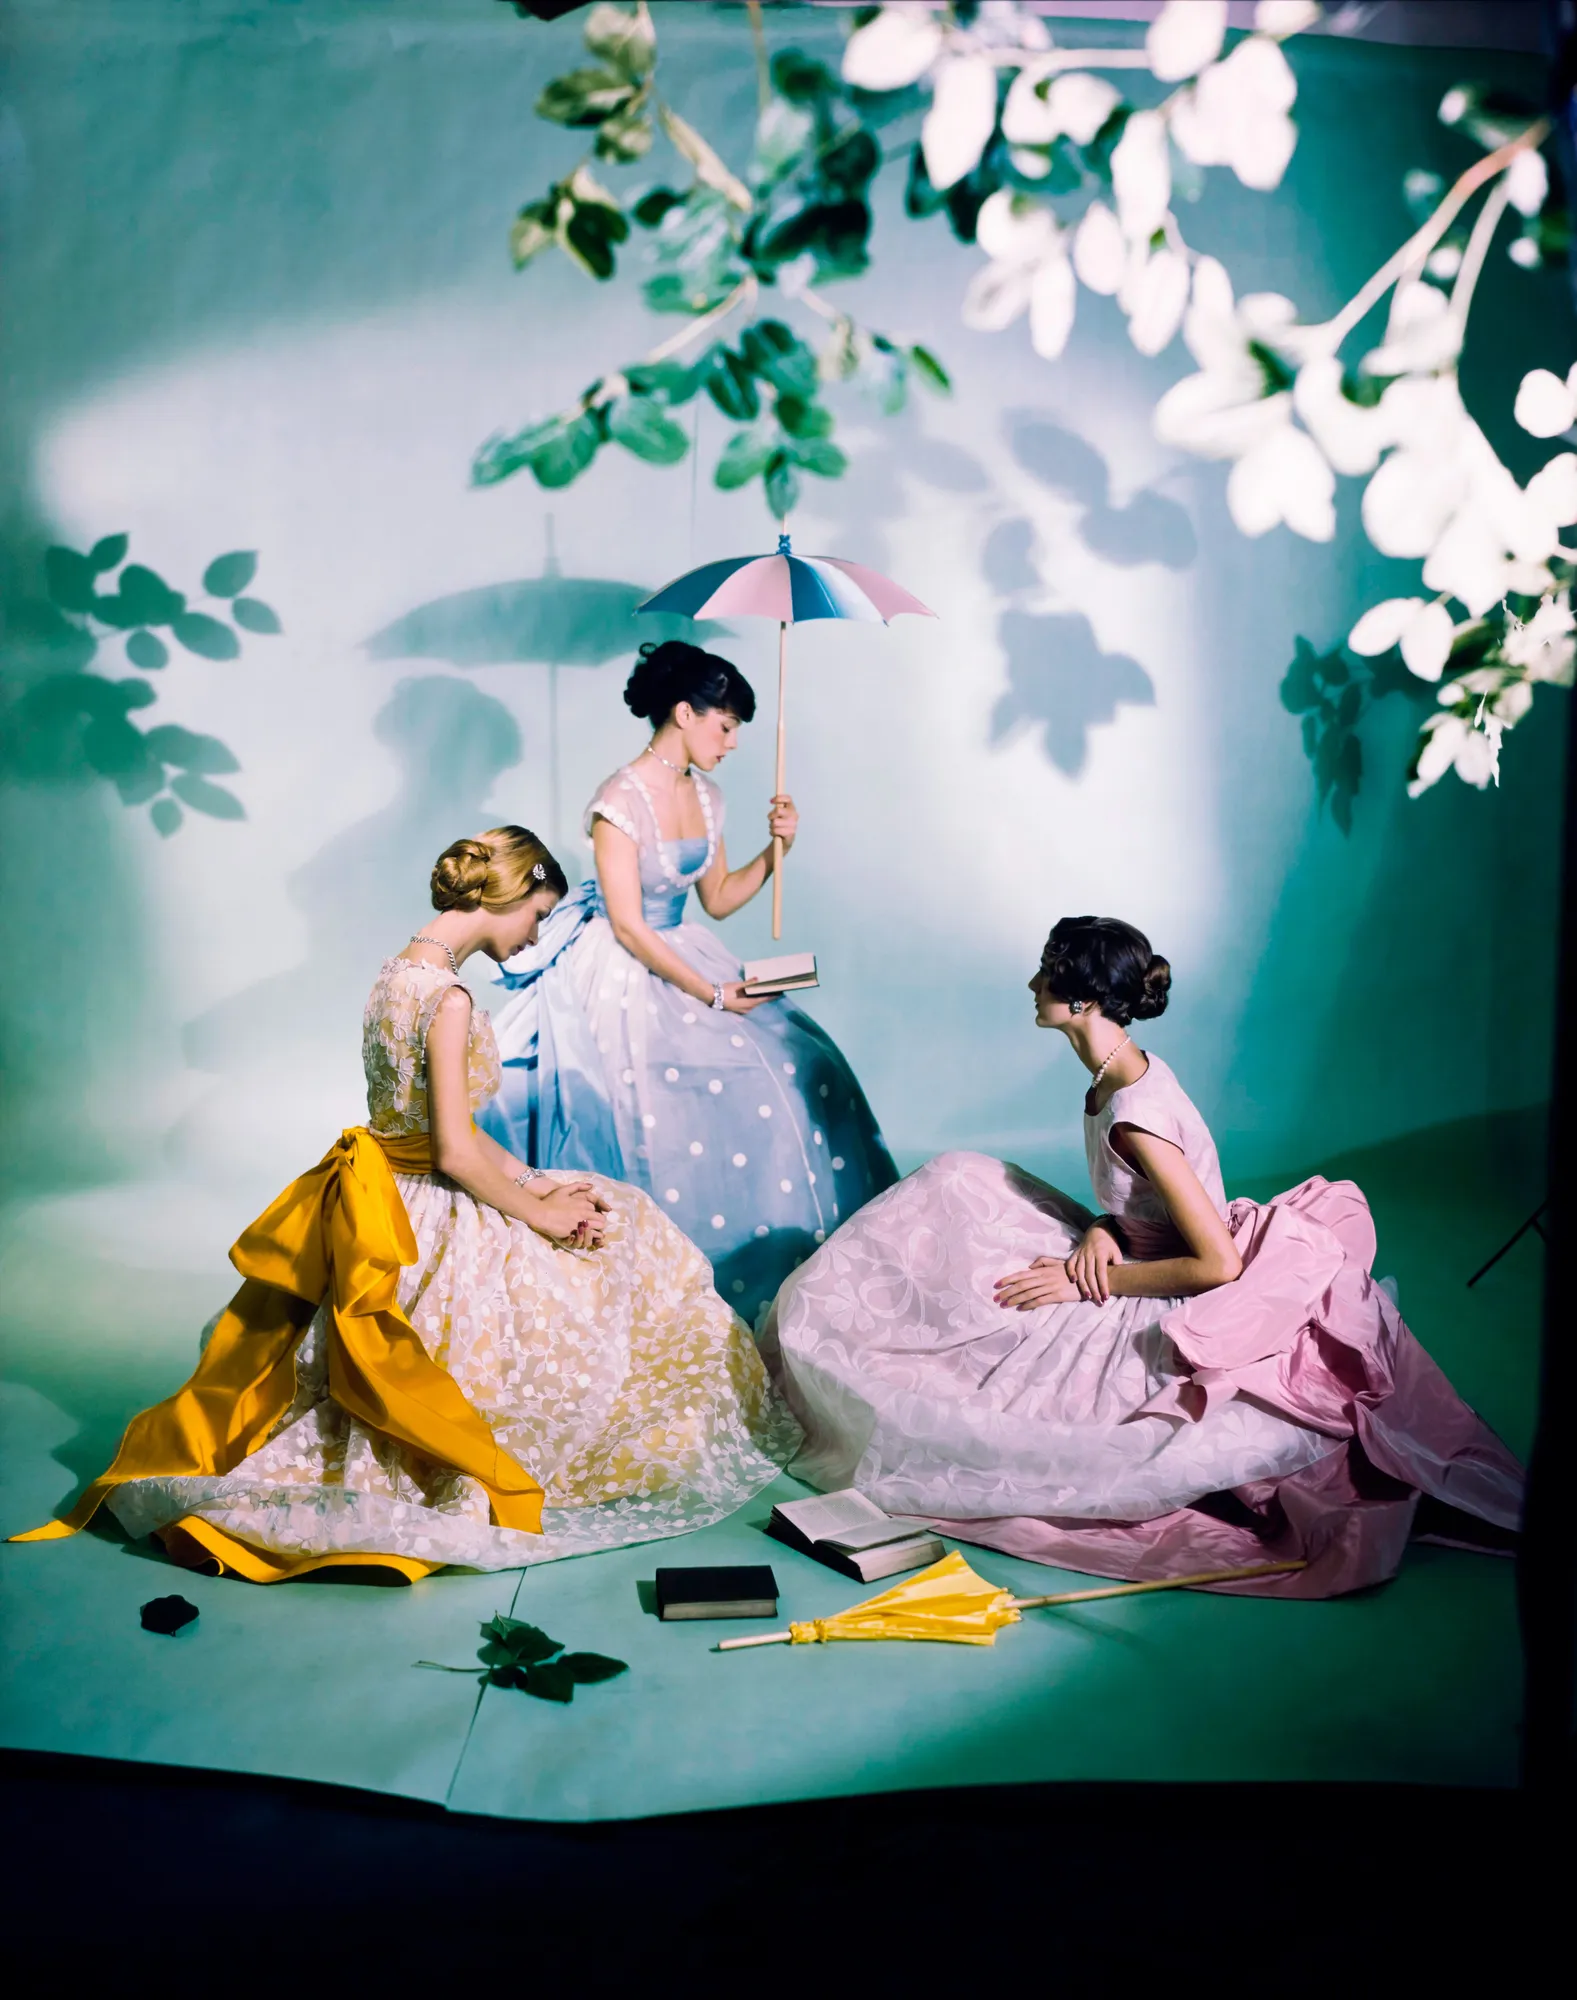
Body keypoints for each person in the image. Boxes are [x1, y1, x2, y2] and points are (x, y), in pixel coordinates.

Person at [15, 826, 798, 1580]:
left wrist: (533, 1180)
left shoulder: (397, 975)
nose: (534, 935)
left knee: (601, 1199)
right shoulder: (450, 998)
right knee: (624, 1243)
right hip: (432, 1202)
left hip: (390, 1191)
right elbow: (454, 1151)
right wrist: (543, 1213)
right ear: (515, 891)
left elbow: (423, 1130)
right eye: (537, 914)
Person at [762, 915, 1522, 1597]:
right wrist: (1100, 1228)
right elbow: (1138, 1203)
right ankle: (836, 1325)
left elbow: (1218, 1264)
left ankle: (834, 1353)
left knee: (974, 1314)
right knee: (954, 1180)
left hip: (1170, 1288)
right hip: (1130, 1249)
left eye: (1046, 973)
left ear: (1083, 1000)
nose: (1032, 984)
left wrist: (1086, 1281)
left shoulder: (1135, 1114)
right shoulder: (1114, 1073)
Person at [480, 639, 896, 1327]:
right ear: (684, 711)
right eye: (725, 725)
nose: (731, 743)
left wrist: (776, 850)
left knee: (802, 1060)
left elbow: (722, 898)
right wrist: (710, 995)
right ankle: (660, 1286)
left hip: (688, 948)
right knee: (653, 1100)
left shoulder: (706, 796)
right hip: (623, 964)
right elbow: (628, 925)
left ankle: (798, 1268)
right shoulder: (618, 801)